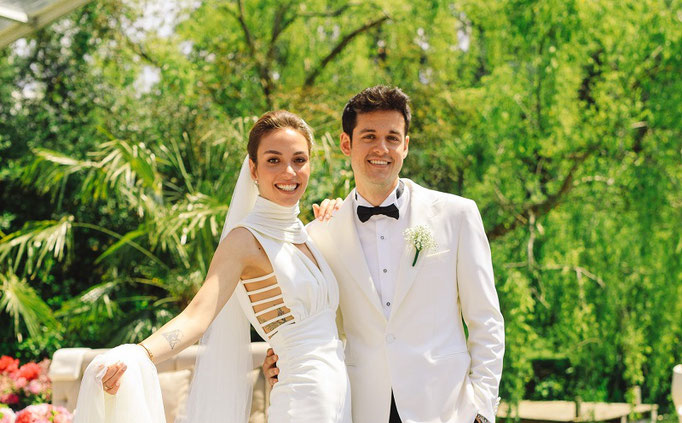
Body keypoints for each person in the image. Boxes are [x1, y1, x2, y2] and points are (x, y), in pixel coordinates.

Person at [73, 110, 351, 423]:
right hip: (304, 402)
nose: (289, 171)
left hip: (342, 399)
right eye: (273, 160)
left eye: (299, 159)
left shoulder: (310, 234)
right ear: (253, 169)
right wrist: (142, 353)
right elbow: (196, 316)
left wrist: (340, 216)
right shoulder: (244, 240)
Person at [264, 86, 505, 423]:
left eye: (393, 137)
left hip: (446, 408)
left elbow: (486, 320)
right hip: (361, 406)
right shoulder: (319, 235)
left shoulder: (457, 215)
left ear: (405, 145)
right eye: (369, 136)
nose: (382, 148)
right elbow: (319, 326)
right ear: (346, 144)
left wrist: (482, 406)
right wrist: (283, 358)